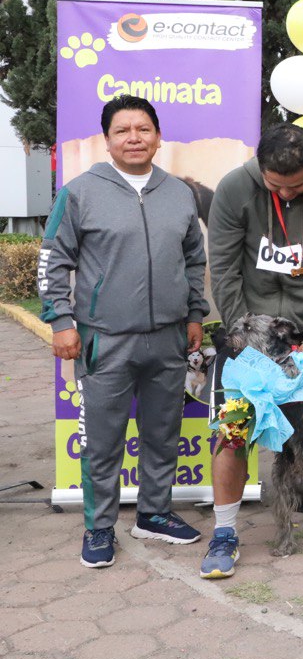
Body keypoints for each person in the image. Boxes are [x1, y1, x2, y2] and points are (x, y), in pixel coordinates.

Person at [39, 95, 209, 568]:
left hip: (169, 337)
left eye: (143, 129)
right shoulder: (79, 193)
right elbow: (54, 259)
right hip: (104, 339)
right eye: (123, 130)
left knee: (163, 431)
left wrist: (195, 313)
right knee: (104, 438)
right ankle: (98, 528)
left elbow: (194, 259)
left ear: (158, 136)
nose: (134, 138)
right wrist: (60, 320)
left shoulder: (179, 193)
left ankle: (154, 514)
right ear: (107, 140)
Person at [200, 123, 303, 577]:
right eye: (276, 185)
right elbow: (225, 266)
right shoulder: (236, 188)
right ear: (261, 169)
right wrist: (245, 339)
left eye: (297, 185)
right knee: (233, 431)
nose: (287, 192)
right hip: (252, 331)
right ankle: (225, 533)